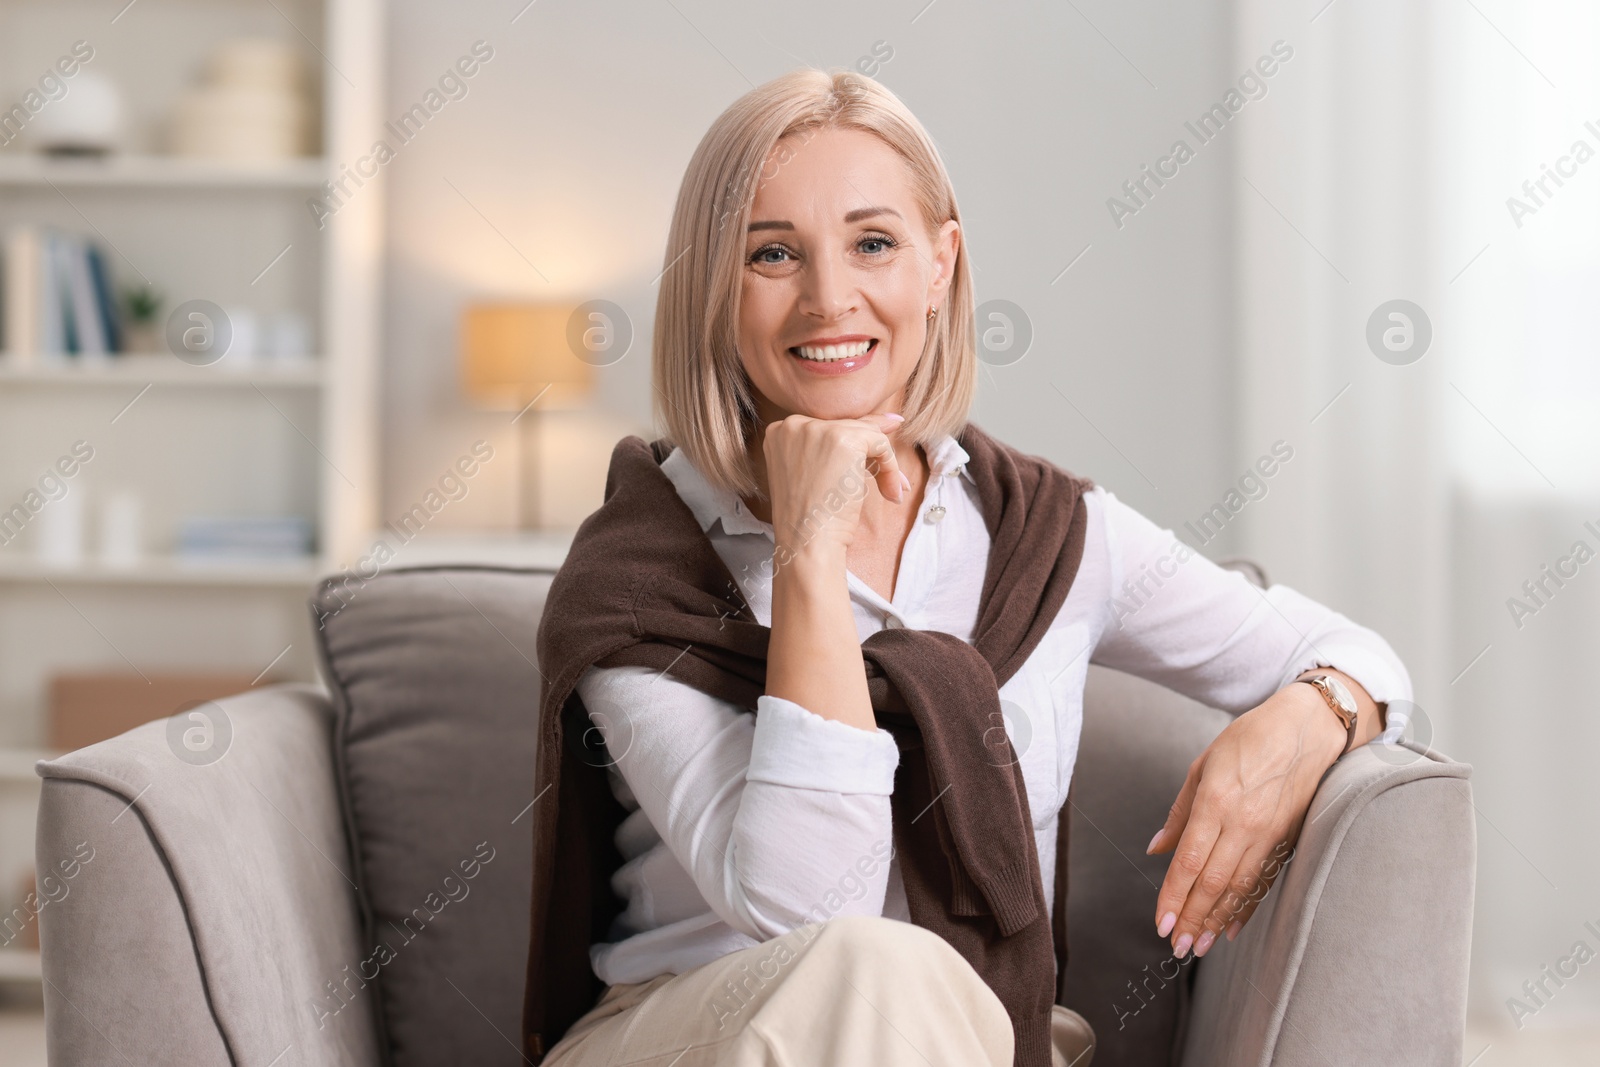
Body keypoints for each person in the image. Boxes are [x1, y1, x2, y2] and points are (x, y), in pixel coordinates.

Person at [523, 68, 1408, 1067]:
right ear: (712, 285)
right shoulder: (640, 576)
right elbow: (812, 909)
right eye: (773, 252)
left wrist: (1305, 720)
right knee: (876, 966)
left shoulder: (1045, 534)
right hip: (681, 1036)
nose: (829, 296)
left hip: (954, 1042)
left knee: (917, 996)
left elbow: (1353, 651)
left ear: (939, 264)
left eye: (873, 243)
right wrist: (807, 546)